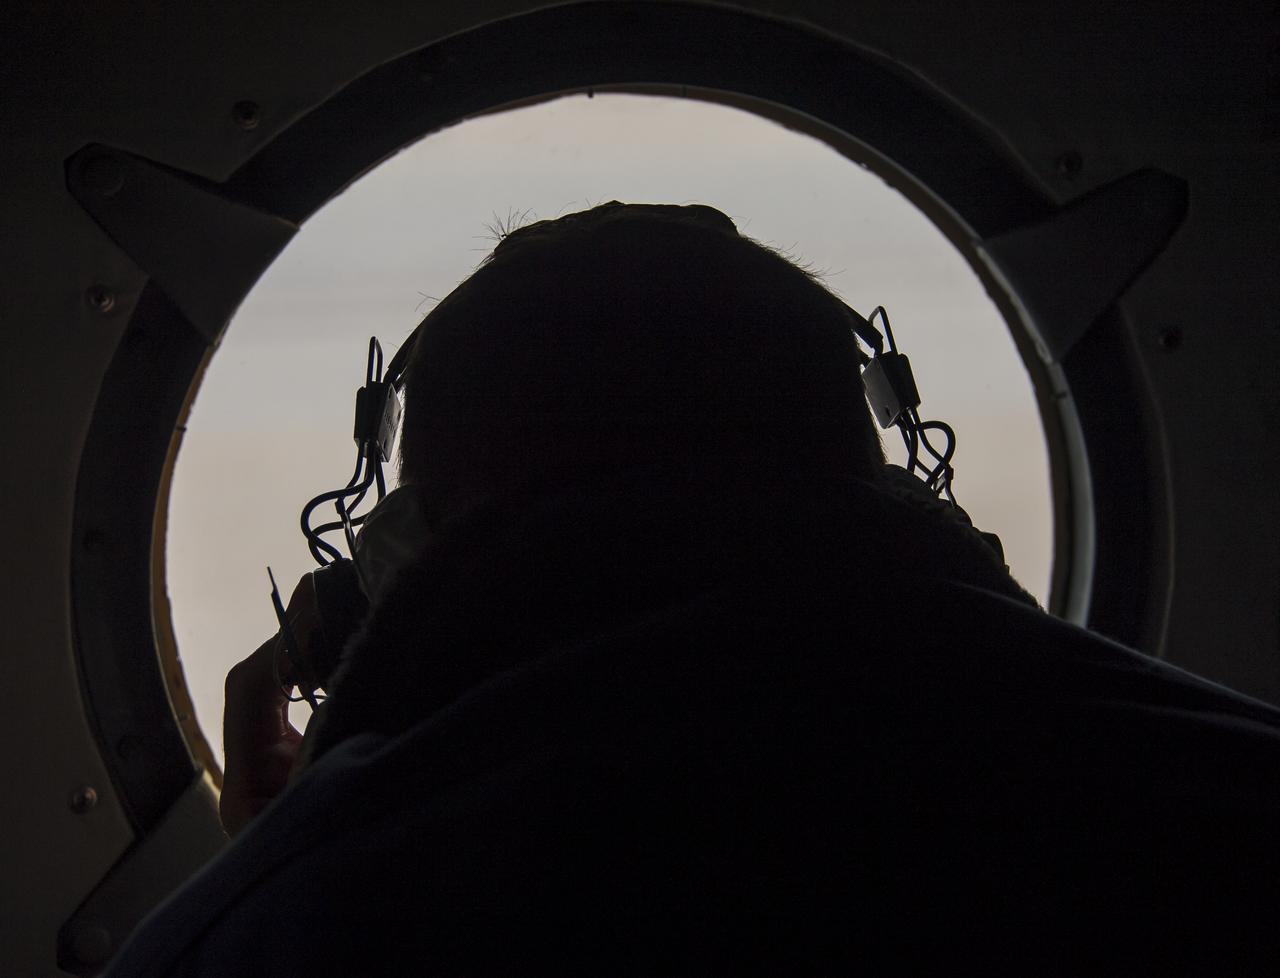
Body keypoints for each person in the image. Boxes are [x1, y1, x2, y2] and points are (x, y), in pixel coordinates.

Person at [108, 203, 1280, 975]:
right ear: (903, 490)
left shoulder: (252, 943)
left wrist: (289, 863)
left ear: (380, 582)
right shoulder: (1233, 801)